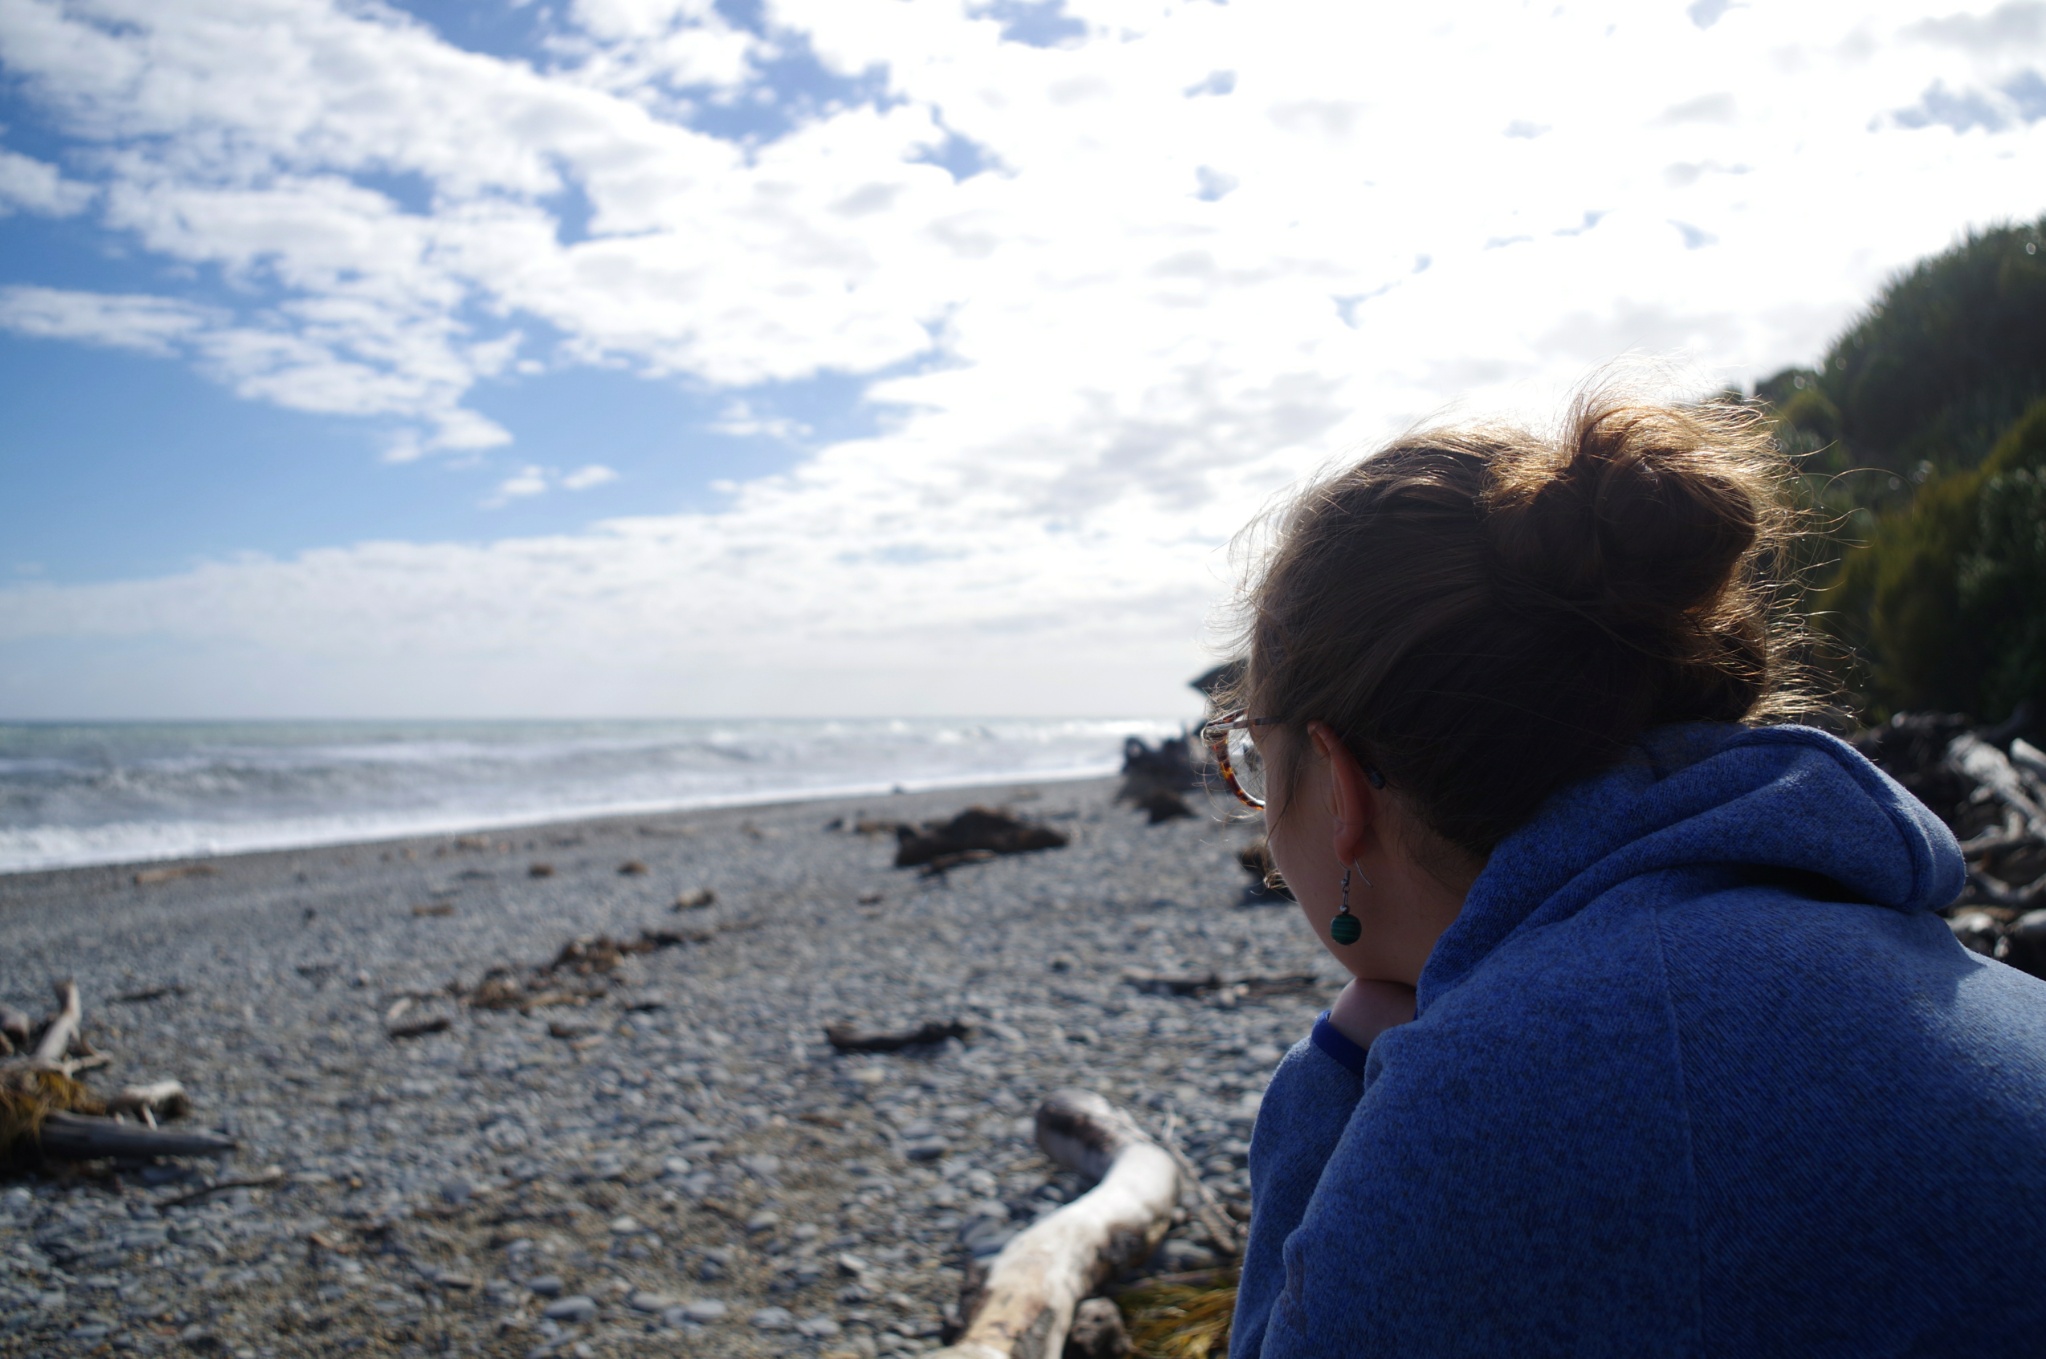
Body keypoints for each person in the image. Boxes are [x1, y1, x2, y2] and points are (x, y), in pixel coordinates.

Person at [1206, 385, 2046, 1357]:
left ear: (1341, 787)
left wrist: (1328, 1083)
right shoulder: (1921, 952)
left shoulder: (1492, 1106)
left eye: (1256, 759)